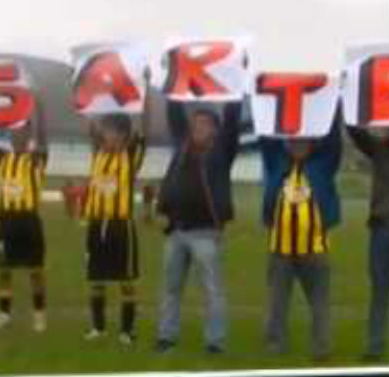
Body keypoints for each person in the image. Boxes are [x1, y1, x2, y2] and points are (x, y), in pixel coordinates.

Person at [155, 100, 241, 354]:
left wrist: (236, 88)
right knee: (171, 288)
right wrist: (173, 70)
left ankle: (215, 342)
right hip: (176, 230)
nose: (197, 128)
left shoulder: (222, 151)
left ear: (216, 129)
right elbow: (173, 112)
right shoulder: (182, 147)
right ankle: (166, 337)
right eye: (195, 123)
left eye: (204, 124)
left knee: (212, 290)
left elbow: (233, 121)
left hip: (205, 231)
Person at [260, 116, 342, 361]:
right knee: (277, 303)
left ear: (313, 145)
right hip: (280, 249)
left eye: (304, 142)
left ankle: (321, 348)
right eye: (294, 142)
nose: (299, 146)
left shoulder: (323, 165)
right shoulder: (277, 163)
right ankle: (275, 345)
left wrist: (333, 106)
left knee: (319, 303)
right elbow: (267, 139)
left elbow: (333, 140)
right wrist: (266, 104)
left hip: (314, 250)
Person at [0, 96, 49, 333]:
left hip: (29, 220)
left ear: (28, 138)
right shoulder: (1, 158)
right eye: (14, 133)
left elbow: (44, 136)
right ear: (10, 137)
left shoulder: (36, 159)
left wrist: (39, 108)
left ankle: (39, 315)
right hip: (6, 220)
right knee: (4, 270)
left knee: (35, 270)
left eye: (22, 134)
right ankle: (4, 313)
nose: (18, 137)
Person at [81, 97, 150, 346]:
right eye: (105, 132)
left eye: (111, 133)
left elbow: (143, 128)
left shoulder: (129, 158)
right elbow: (89, 125)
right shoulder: (97, 154)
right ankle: (98, 327)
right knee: (96, 280)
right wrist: (83, 90)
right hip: (96, 225)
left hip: (121, 227)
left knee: (126, 281)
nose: (106, 137)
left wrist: (143, 96)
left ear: (123, 137)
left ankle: (127, 330)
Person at [347, 125, 389, 361]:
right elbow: (356, 133)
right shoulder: (380, 149)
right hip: (382, 226)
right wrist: (344, 99)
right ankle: (374, 345)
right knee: (380, 289)